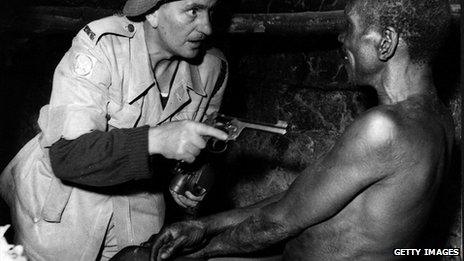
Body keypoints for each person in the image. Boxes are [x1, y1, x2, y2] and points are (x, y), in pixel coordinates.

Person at [148, 0, 454, 260]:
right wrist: (205, 226)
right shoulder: (436, 117)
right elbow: (300, 199)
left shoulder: (383, 128)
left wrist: (198, 253)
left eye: (350, 27)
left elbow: (277, 223)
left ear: (385, 42)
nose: (342, 39)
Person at [0, 0, 228, 260]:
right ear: (152, 13)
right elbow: (67, 156)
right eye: (192, 11)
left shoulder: (213, 69)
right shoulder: (101, 46)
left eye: (211, 11)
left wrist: (188, 174)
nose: (207, 27)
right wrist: (156, 139)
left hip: (137, 214)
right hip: (62, 212)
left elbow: (203, 141)